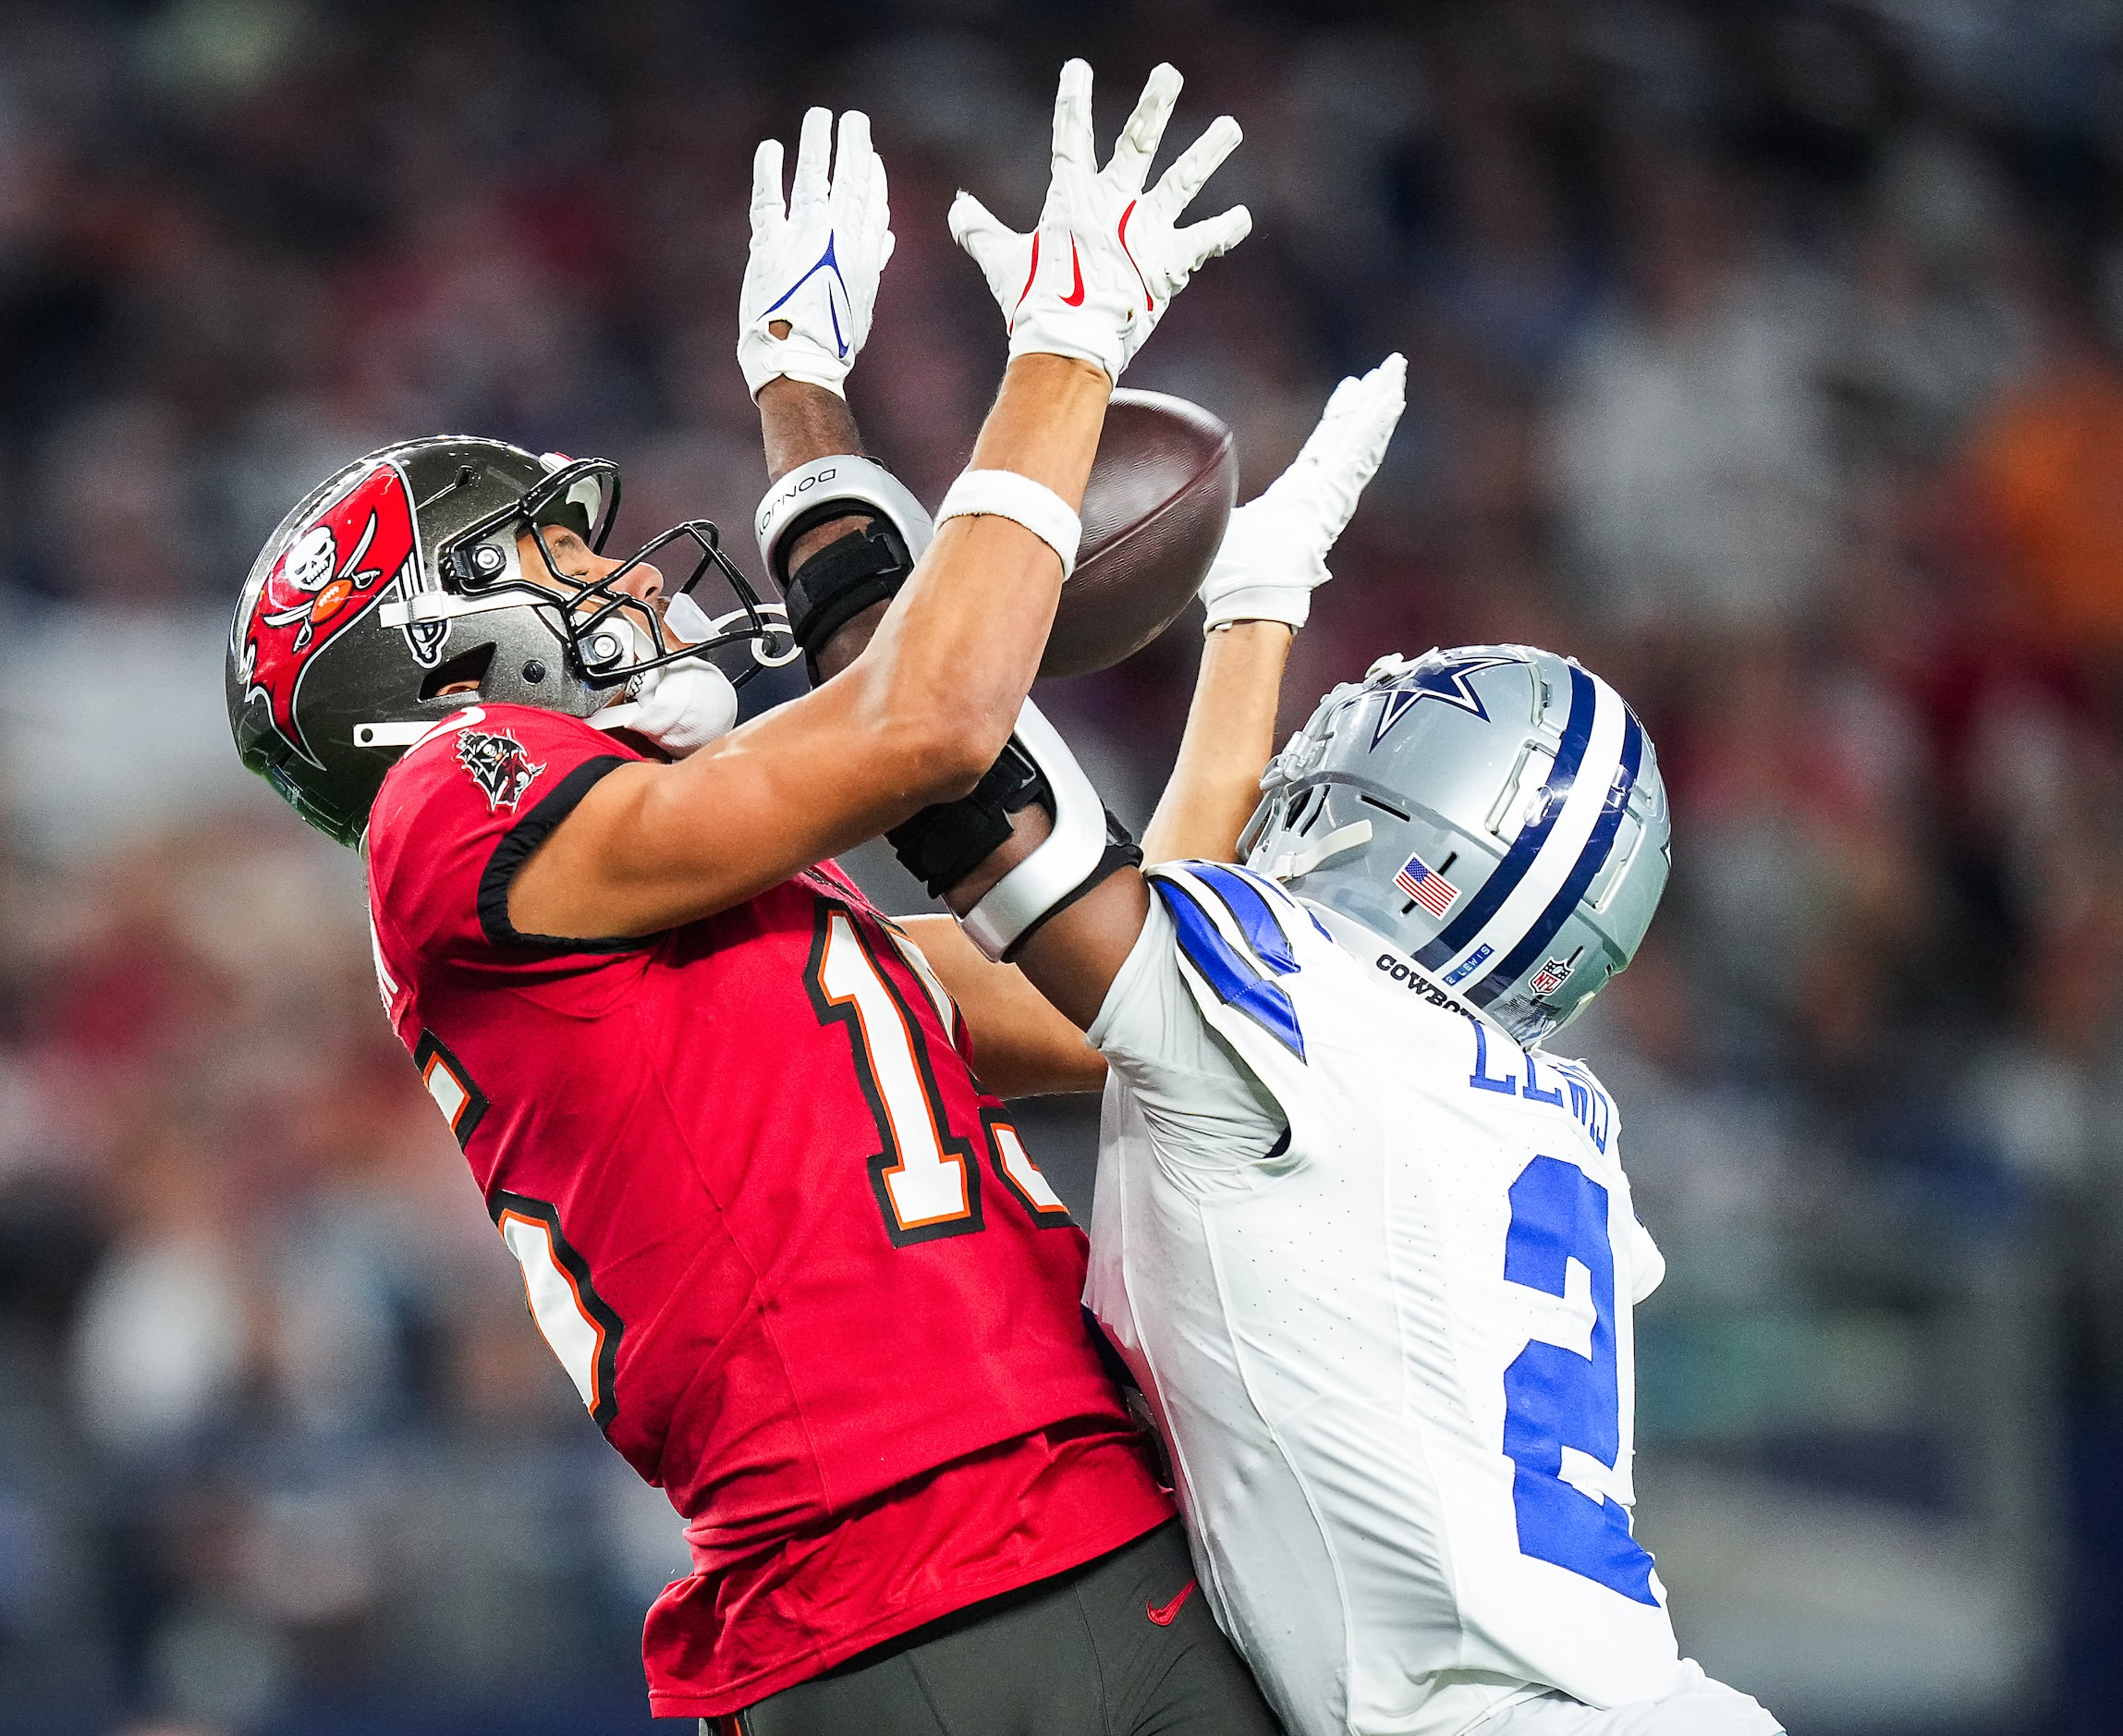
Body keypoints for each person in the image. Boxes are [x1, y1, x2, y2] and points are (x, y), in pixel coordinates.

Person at [224, 65, 1285, 1735]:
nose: (635, 571)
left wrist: (1253, 621)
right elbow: (922, 717)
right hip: (919, 1599)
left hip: (1035, 1566)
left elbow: (1153, 988)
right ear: (427, 651)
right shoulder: (454, 800)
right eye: (563, 560)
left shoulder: (716, 920)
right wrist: (1061, 350)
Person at [865, 361, 1788, 1735]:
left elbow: (990, 848)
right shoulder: (1547, 1115)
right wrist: (1250, 609)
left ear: (1426, 831)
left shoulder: (1309, 1012)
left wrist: (839, 584)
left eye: (1389, 727)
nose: (1338, 725)